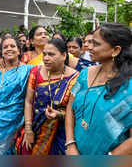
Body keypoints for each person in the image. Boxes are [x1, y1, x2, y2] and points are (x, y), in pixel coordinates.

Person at [65, 23, 132, 155]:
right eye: (89, 42)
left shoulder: (129, 88)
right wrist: (70, 144)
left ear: (115, 50)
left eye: (95, 44)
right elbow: (70, 108)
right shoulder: (85, 74)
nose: (88, 47)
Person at [16, 39, 79, 155]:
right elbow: (29, 101)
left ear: (64, 55)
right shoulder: (35, 72)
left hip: (61, 132)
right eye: (44, 54)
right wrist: (28, 129)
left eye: (51, 54)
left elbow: (74, 111)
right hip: (35, 129)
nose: (46, 58)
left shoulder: (75, 78)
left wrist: (58, 114)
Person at [0, 37, 33, 155]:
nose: (9, 49)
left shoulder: (29, 70)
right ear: (1, 52)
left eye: (12, 46)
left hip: (19, 124)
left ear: (19, 50)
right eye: (5, 47)